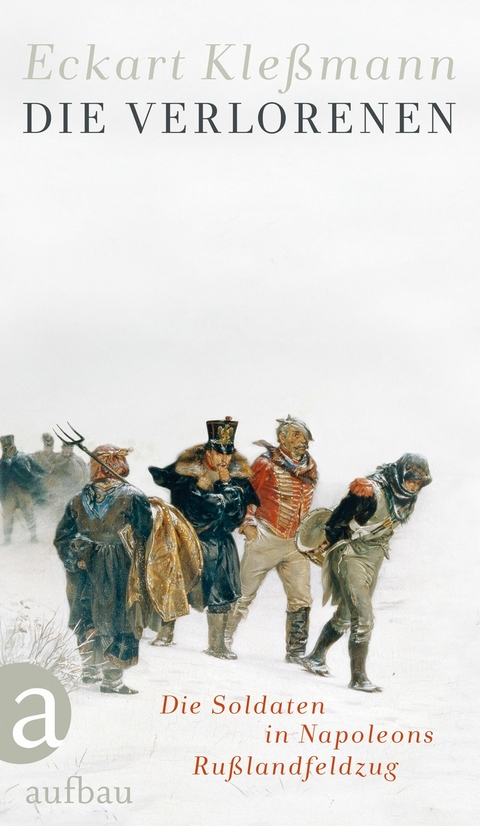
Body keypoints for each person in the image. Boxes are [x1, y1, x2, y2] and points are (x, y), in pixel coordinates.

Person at [302, 453, 432, 692]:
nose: (414, 486)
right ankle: (359, 678)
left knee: (346, 614)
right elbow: (335, 522)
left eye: (419, 482)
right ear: (400, 474)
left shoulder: (406, 498)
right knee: (363, 618)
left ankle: (315, 657)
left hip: (375, 557)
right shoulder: (368, 491)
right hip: (351, 555)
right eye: (411, 480)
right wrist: (336, 542)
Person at [149, 417, 258, 659]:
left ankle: (217, 645)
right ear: (208, 451)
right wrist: (202, 491)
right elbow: (196, 511)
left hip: (220, 542)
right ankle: (165, 633)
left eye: (228, 454)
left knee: (221, 591)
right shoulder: (187, 473)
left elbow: (236, 512)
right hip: (186, 537)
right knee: (175, 583)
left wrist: (225, 487)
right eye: (219, 453)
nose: (224, 459)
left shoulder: (236, 478)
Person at [54, 444, 153, 694]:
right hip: (120, 566)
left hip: (84, 565)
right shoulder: (134, 496)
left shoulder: (78, 498)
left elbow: (63, 537)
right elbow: (145, 532)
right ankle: (111, 679)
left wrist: (74, 558)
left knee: (88, 614)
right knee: (119, 618)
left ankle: (91, 669)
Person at [225, 415, 317, 663]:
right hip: (266, 537)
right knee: (243, 594)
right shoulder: (265, 463)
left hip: (295, 544)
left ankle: (296, 652)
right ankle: (222, 640)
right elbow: (246, 493)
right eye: (296, 435)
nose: (302, 441)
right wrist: (247, 524)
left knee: (301, 598)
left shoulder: (310, 466)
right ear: (281, 438)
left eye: (304, 436)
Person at [0, 435, 47, 544]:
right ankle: (7, 539)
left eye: (8, 449)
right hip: (9, 493)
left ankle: (33, 536)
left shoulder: (23, 457)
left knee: (29, 513)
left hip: (23, 490)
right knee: (7, 515)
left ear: (13, 447)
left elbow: (36, 471)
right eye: (4, 449)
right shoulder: (3, 461)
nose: (7, 451)